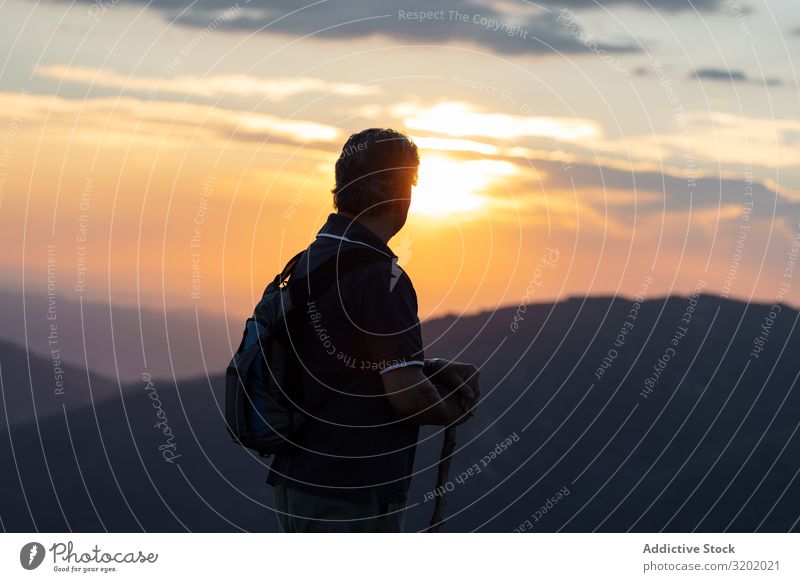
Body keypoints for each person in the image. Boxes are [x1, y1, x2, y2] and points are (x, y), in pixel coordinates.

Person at [266, 128, 479, 532]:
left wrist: (425, 366)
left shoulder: (309, 261)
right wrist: (452, 410)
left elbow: (334, 360)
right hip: (352, 490)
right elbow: (409, 398)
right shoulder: (382, 278)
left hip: (299, 478)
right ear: (401, 194)